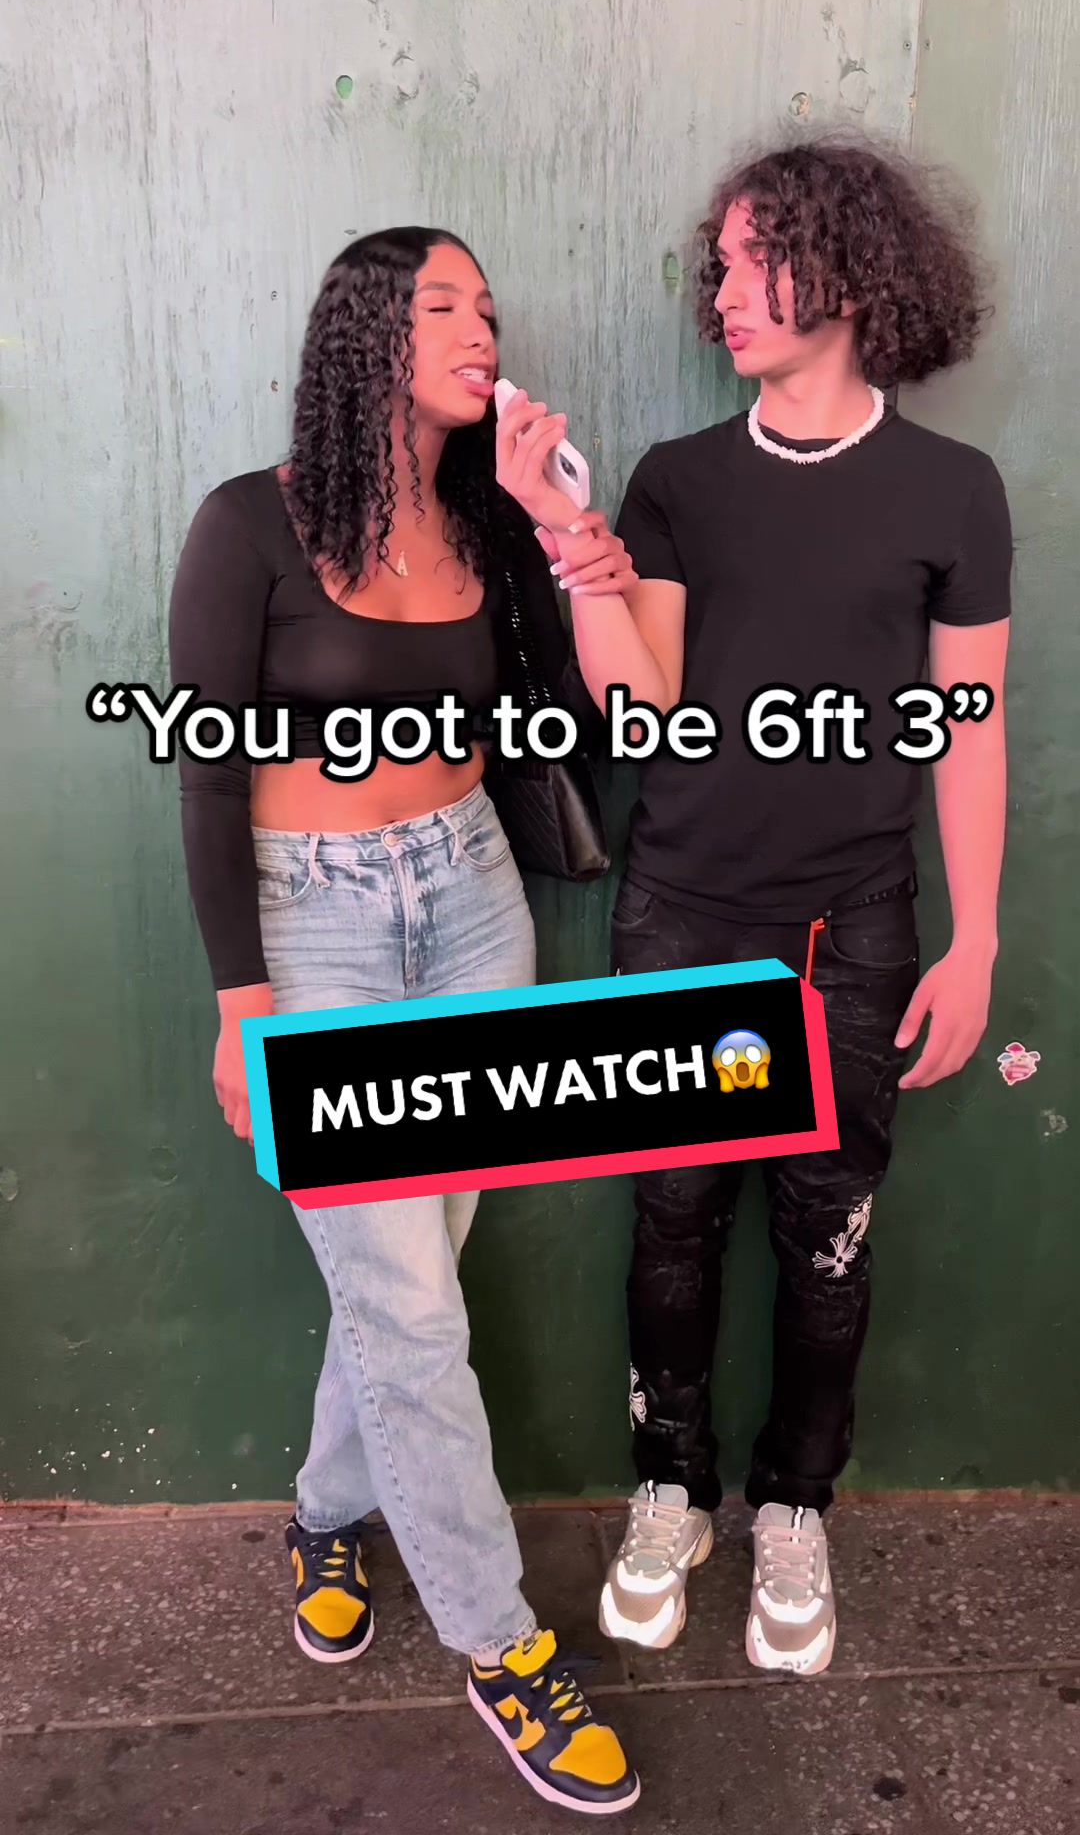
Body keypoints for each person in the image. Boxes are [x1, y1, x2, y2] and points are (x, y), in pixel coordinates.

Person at [496, 139, 1012, 1676]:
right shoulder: (676, 483)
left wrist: (977, 938)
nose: (716, 290)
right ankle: (670, 1488)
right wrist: (577, 556)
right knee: (672, 1223)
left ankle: (796, 1504)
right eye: (715, 264)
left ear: (843, 271)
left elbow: (968, 729)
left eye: (748, 261)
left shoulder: (953, 492)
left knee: (826, 1235)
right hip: (682, 916)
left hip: (854, 931)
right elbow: (641, 712)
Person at [168, 227, 639, 1814]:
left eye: (488, 309)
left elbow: (588, 726)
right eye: (445, 304)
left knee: (410, 1278)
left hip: (475, 907)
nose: (479, 328)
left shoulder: (488, 525)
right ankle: (505, 1648)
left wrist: (559, 522)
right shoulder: (249, 523)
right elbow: (208, 775)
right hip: (314, 929)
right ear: (368, 330)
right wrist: (243, 1005)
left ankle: (323, 1515)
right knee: (414, 1314)